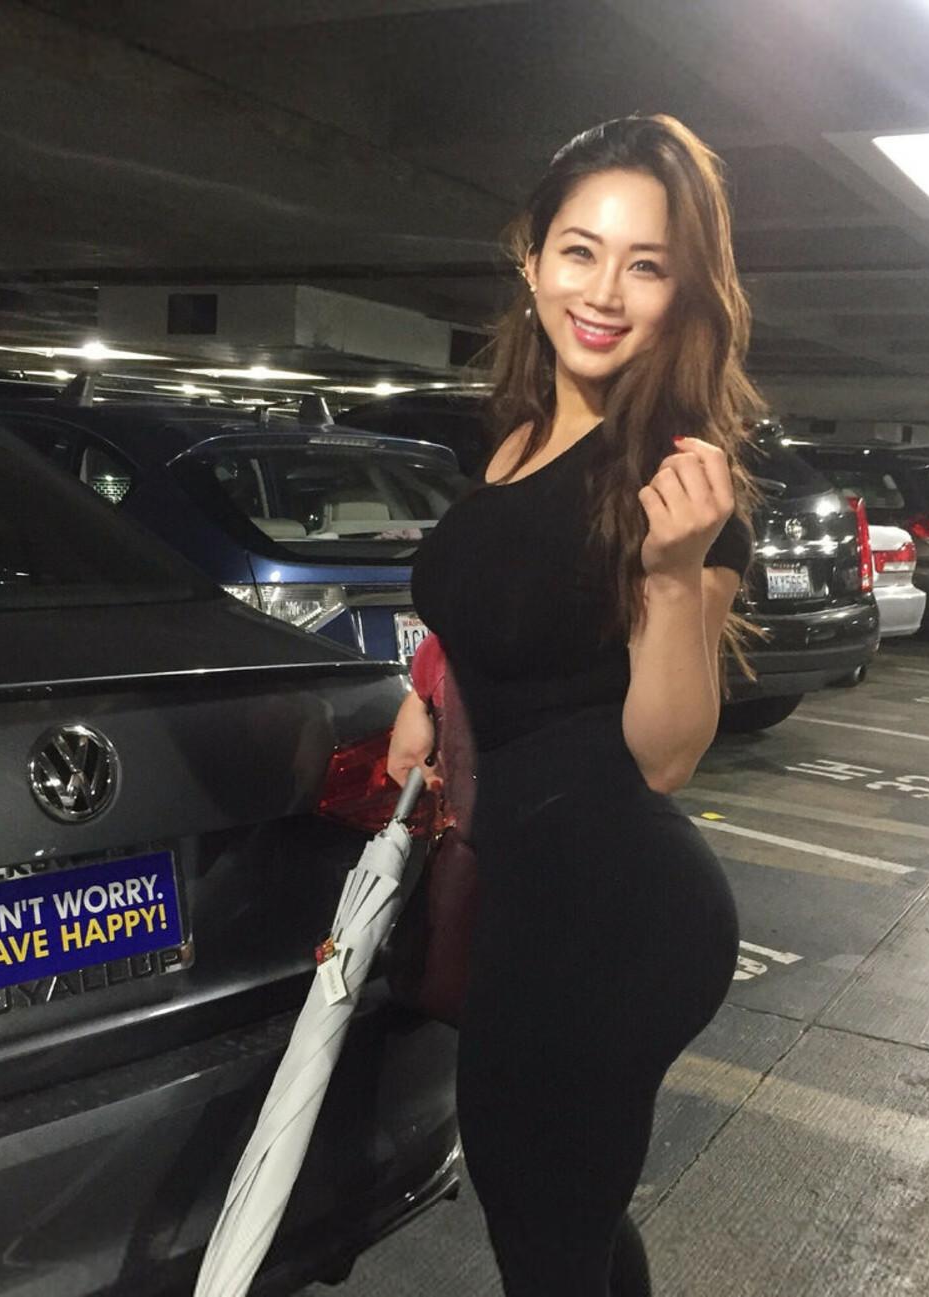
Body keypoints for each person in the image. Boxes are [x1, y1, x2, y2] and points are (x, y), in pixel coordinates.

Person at [386, 114, 768, 1296]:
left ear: (685, 291)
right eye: (580, 251)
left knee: (541, 1228)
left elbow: (666, 753)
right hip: (530, 890)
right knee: (571, 1226)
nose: (603, 293)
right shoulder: (514, 440)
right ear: (532, 257)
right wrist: (428, 690)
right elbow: (501, 609)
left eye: (646, 265)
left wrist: (673, 573)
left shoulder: (673, 477)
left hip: (617, 911)